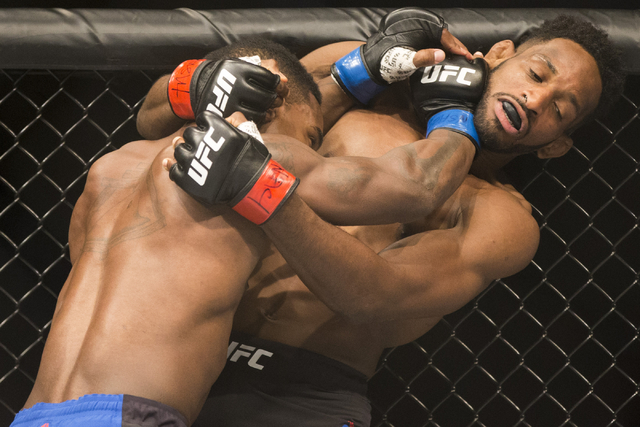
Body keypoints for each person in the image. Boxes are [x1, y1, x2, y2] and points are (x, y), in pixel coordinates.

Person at [11, 10, 476, 427]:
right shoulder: (255, 153)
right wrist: (456, 109)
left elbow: (154, 111)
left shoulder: (112, 169)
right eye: (313, 135)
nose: (310, 148)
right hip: (134, 413)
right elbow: (417, 186)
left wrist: (367, 68)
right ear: (275, 96)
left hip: (36, 414)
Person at [161, 15, 625, 427]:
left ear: (554, 146)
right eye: (536, 74)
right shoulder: (371, 78)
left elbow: (372, 296)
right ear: (502, 53)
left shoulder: (500, 218)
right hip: (187, 344)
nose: (535, 98)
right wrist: (356, 73)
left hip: (303, 395)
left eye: (559, 110)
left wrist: (263, 191)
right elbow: (186, 130)